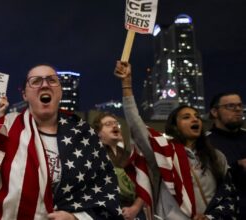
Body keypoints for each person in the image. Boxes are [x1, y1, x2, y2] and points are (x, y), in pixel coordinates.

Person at [0, 64, 123, 219]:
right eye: (35, 81)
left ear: (60, 91)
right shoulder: (6, 127)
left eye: (51, 80)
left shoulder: (84, 134)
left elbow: (105, 193)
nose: (44, 85)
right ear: (25, 94)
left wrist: (75, 217)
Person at [115, 61, 237, 220]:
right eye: (186, 117)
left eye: (197, 117)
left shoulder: (216, 156)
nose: (195, 120)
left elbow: (228, 195)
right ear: (175, 127)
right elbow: (137, 127)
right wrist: (126, 84)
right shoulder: (163, 154)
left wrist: (210, 217)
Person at [92, 112, 149, 220]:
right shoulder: (94, 157)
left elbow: (144, 185)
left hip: (135, 215)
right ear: (98, 133)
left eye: (116, 124)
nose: (114, 126)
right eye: (108, 124)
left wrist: (135, 208)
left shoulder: (132, 156)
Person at [207, 92, 246, 219]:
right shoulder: (204, 143)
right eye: (231, 106)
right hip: (223, 213)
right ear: (214, 112)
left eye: (240, 105)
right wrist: (237, 165)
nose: (238, 109)